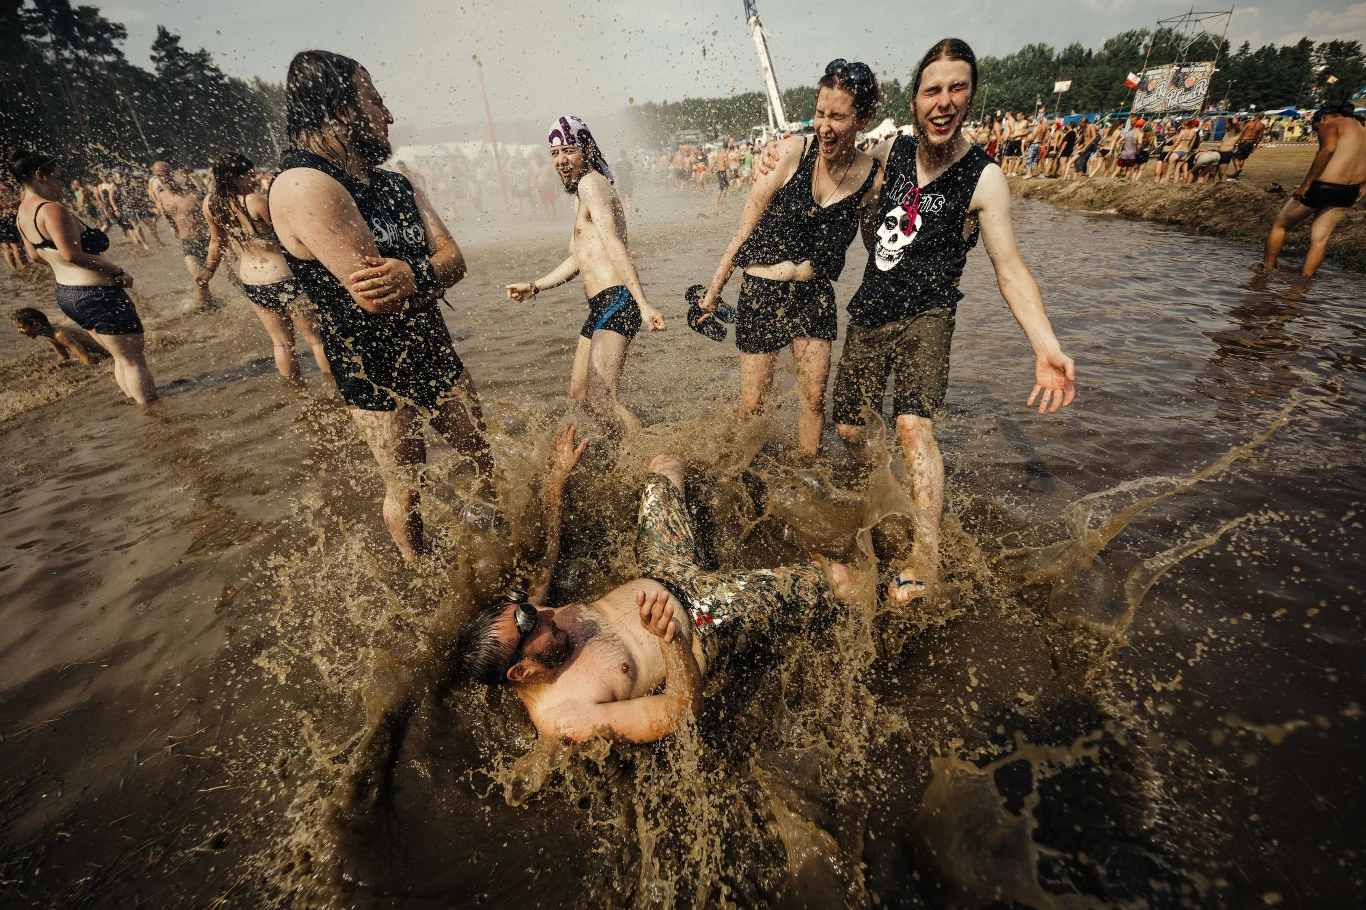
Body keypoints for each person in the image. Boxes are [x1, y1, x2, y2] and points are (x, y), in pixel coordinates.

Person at [758, 38, 1075, 602]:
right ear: (914, 99)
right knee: (852, 428)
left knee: (911, 425)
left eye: (957, 88)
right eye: (933, 89)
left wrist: (1045, 345)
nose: (944, 101)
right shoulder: (889, 155)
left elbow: (1011, 270)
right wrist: (782, 154)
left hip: (929, 312)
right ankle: (889, 495)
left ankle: (925, 553)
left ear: (971, 96)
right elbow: (833, 152)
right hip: (871, 308)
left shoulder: (984, 178)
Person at [453, 429, 860, 743]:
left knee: (664, 465)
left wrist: (559, 478)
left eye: (525, 608)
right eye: (530, 624)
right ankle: (901, 591)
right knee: (839, 579)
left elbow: (547, 559)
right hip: (703, 619)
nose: (542, 612)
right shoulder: (566, 716)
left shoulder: (534, 621)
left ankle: (745, 472)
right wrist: (672, 642)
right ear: (521, 671)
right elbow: (679, 714)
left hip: (664, 565)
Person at [268, 50, 495, 563]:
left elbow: (455, 260)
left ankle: (499, 544)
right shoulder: (306, 184)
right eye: (376, 102)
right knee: (406, 487)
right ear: (342, 109)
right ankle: (421, 578)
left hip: (432, 346)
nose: (388, 116)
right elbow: (374, 297)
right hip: (371, 371)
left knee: (481, 452)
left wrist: (416, 273)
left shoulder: (396, 182)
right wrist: (426, 272)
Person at [699, 59, 881, 456]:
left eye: (838, 116)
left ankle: (807, 475)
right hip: (761, 292)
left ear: (863, 118)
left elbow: (875, 246)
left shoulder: (872, 177)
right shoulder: (789, 152)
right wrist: (714, 291)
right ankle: (741, 478)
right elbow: (744, 228)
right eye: (820, 113)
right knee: (752, 407)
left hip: (815, 297)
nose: (825, 126)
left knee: (814, 400)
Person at [505, 115, 666, 438]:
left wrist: (644, 304)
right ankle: (628, 446)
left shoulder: (591, 184)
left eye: (569, 151)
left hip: (617, 299)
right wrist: (536, 286)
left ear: (587, 150)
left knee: (602, 398)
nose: (562, 161)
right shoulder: (583, 190)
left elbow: (616, 245)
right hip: (600, 306)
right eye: (555, 154)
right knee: (581, 393)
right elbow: (580, 258)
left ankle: (650, 457)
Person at [10, 150, 157, 404]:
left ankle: (140, 409)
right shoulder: (51, 209)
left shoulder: (23, 213)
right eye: (57, 178)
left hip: (68, 294)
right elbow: (71, 254)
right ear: (40, 176)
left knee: (121, 358)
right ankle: (155, 418)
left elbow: (35, 256)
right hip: (96, 294)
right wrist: (116, 270)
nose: (61, 183)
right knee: (133, 360)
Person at [197, 152, 332, 381]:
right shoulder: (253, 200)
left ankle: (295, 393)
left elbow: (216, 241)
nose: (253, 179)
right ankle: (335, 391)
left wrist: (208, 270)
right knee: (315, 338)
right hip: (285, 278)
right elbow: (289, 232)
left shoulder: (210, 204)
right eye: (248, 175)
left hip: (253, 282)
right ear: (233, 176)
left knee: (281, 344)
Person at [1261, 104, 1366, 278]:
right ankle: (1303, 282)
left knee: (1280, 225)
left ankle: (1265, 272)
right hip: (1349, 191)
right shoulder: (1363, 128)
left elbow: (1327, 150)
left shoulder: (1331, 124)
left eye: (1315, 127)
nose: (1317, 131)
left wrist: (1306, 184)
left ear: (1323, 118)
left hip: (1323, 187)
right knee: (1320, 239)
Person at [152, 161, 215, 309]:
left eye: (165, 174)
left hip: (208, 239)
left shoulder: (191, 193)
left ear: (172, 173)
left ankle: (247, 297)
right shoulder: (162, 197)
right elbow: (171, 219)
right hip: (188, 243)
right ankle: (209, 308)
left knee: (229, 275)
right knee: (198, 279)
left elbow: (210, 215)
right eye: (158, 175)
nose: (163, 178)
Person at [11, 306, 107, 364]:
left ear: (36, 325)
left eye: (21, 327)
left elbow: (87, 358)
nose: (19, 331)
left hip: (107, 350)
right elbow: (63, 357)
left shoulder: (60, 335)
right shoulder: (49, 334)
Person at [0, 179, 27, 271]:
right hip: (6, 219)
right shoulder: (2, 188)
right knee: (15, 246)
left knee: (6, 246)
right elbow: (3, 205)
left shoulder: (3, 187)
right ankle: (24, 268)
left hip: (4, 219)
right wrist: (18, 201)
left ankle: (15, 269)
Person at [1231, 112, 1266, 179]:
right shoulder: (1261, 126)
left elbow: (1242, 132)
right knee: (1243, 158)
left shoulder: (1249, 123)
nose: (1254, 116)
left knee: (1235, 157)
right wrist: (1256, 146)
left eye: (1255, 115)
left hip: (1244, 141)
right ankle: (1237, 171)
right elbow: (1260, 136)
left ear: (1257, 116)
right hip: (1251, 142)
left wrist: (1236, 140)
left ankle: (1238, 169)